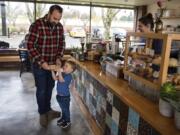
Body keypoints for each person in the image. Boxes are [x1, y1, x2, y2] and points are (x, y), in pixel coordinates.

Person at [26, 5, 65, 127]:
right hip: (39, 65)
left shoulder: (59, 27)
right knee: (42, 90)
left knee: (49, 89)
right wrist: (41, 61)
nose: (56, 22)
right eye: (54, 18)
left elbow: (62, 44)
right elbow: (30, 45)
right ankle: (42, 113)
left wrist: (59, 58)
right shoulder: (37, 25)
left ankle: (48, 110)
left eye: (58, 19)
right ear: (49, 13)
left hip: (52, 65)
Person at [51, 60, 76, 129]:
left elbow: (61, 80)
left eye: (66, 66)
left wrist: (59, 72)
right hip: (59, 96)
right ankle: (63, 118)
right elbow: (55, 78)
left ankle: (67, 121)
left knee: (66, 110)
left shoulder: (69, 76)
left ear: (71, 70)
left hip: (65, 97)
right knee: (63, 109)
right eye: (64, 65)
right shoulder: (63, 74)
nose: (64, 67)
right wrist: (52, 71)